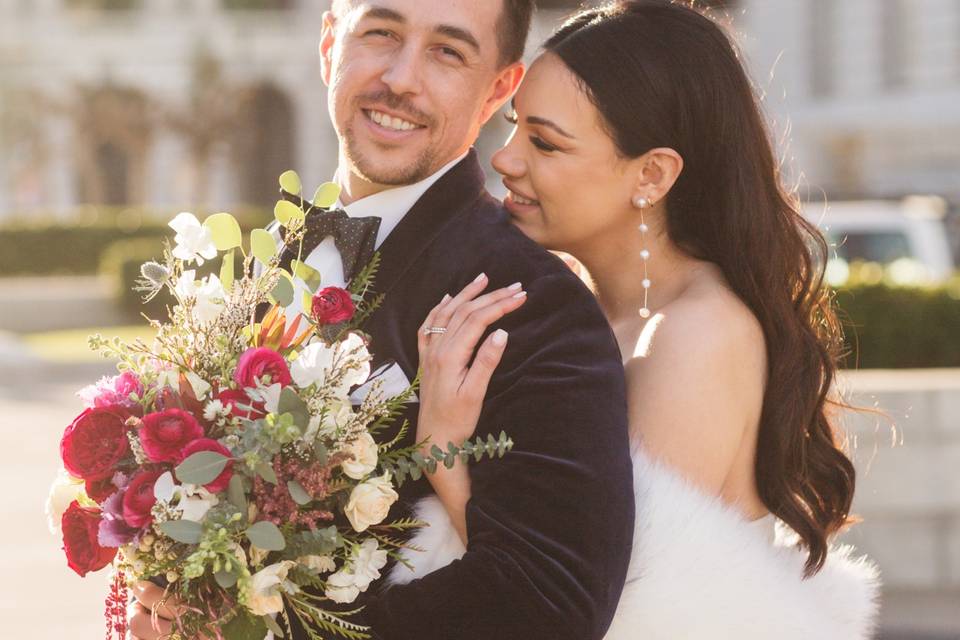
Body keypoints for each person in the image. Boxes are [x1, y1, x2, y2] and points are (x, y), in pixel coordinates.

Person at [128, 1, 635, 639]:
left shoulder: (533, 304)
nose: (400, 78)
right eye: (381, 33)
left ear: (498, 90)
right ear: (329, 43)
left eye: (448, 51)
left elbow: (549, 600)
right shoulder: (265, 263)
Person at [400, 1, 881, 638]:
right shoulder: (577, 310)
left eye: (545, 142)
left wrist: (445, 458)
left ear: (651, 174)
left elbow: (604, 604)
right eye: (514, 127)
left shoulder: (696, 336)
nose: (505, 160)